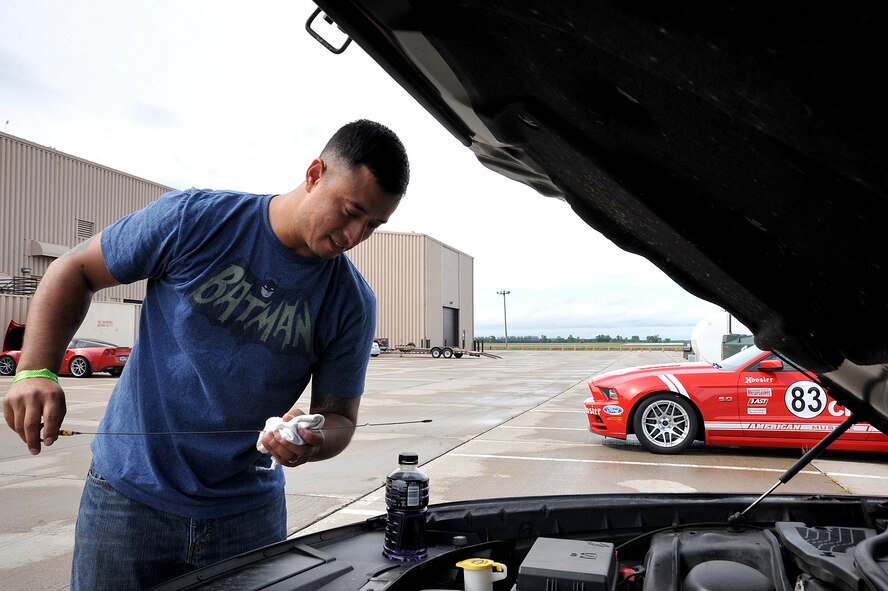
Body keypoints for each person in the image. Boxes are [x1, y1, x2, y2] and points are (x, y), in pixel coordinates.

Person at [1, 119, 410, 589]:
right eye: (351, 210)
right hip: (127, 502)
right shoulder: (195, 219)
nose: (355, 234)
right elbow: (73, 269)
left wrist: (312, 441)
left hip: (247, 520)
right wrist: (34, 370)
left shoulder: (352, 301)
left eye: (373, 225)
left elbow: (339, 418)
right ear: (315, 173)